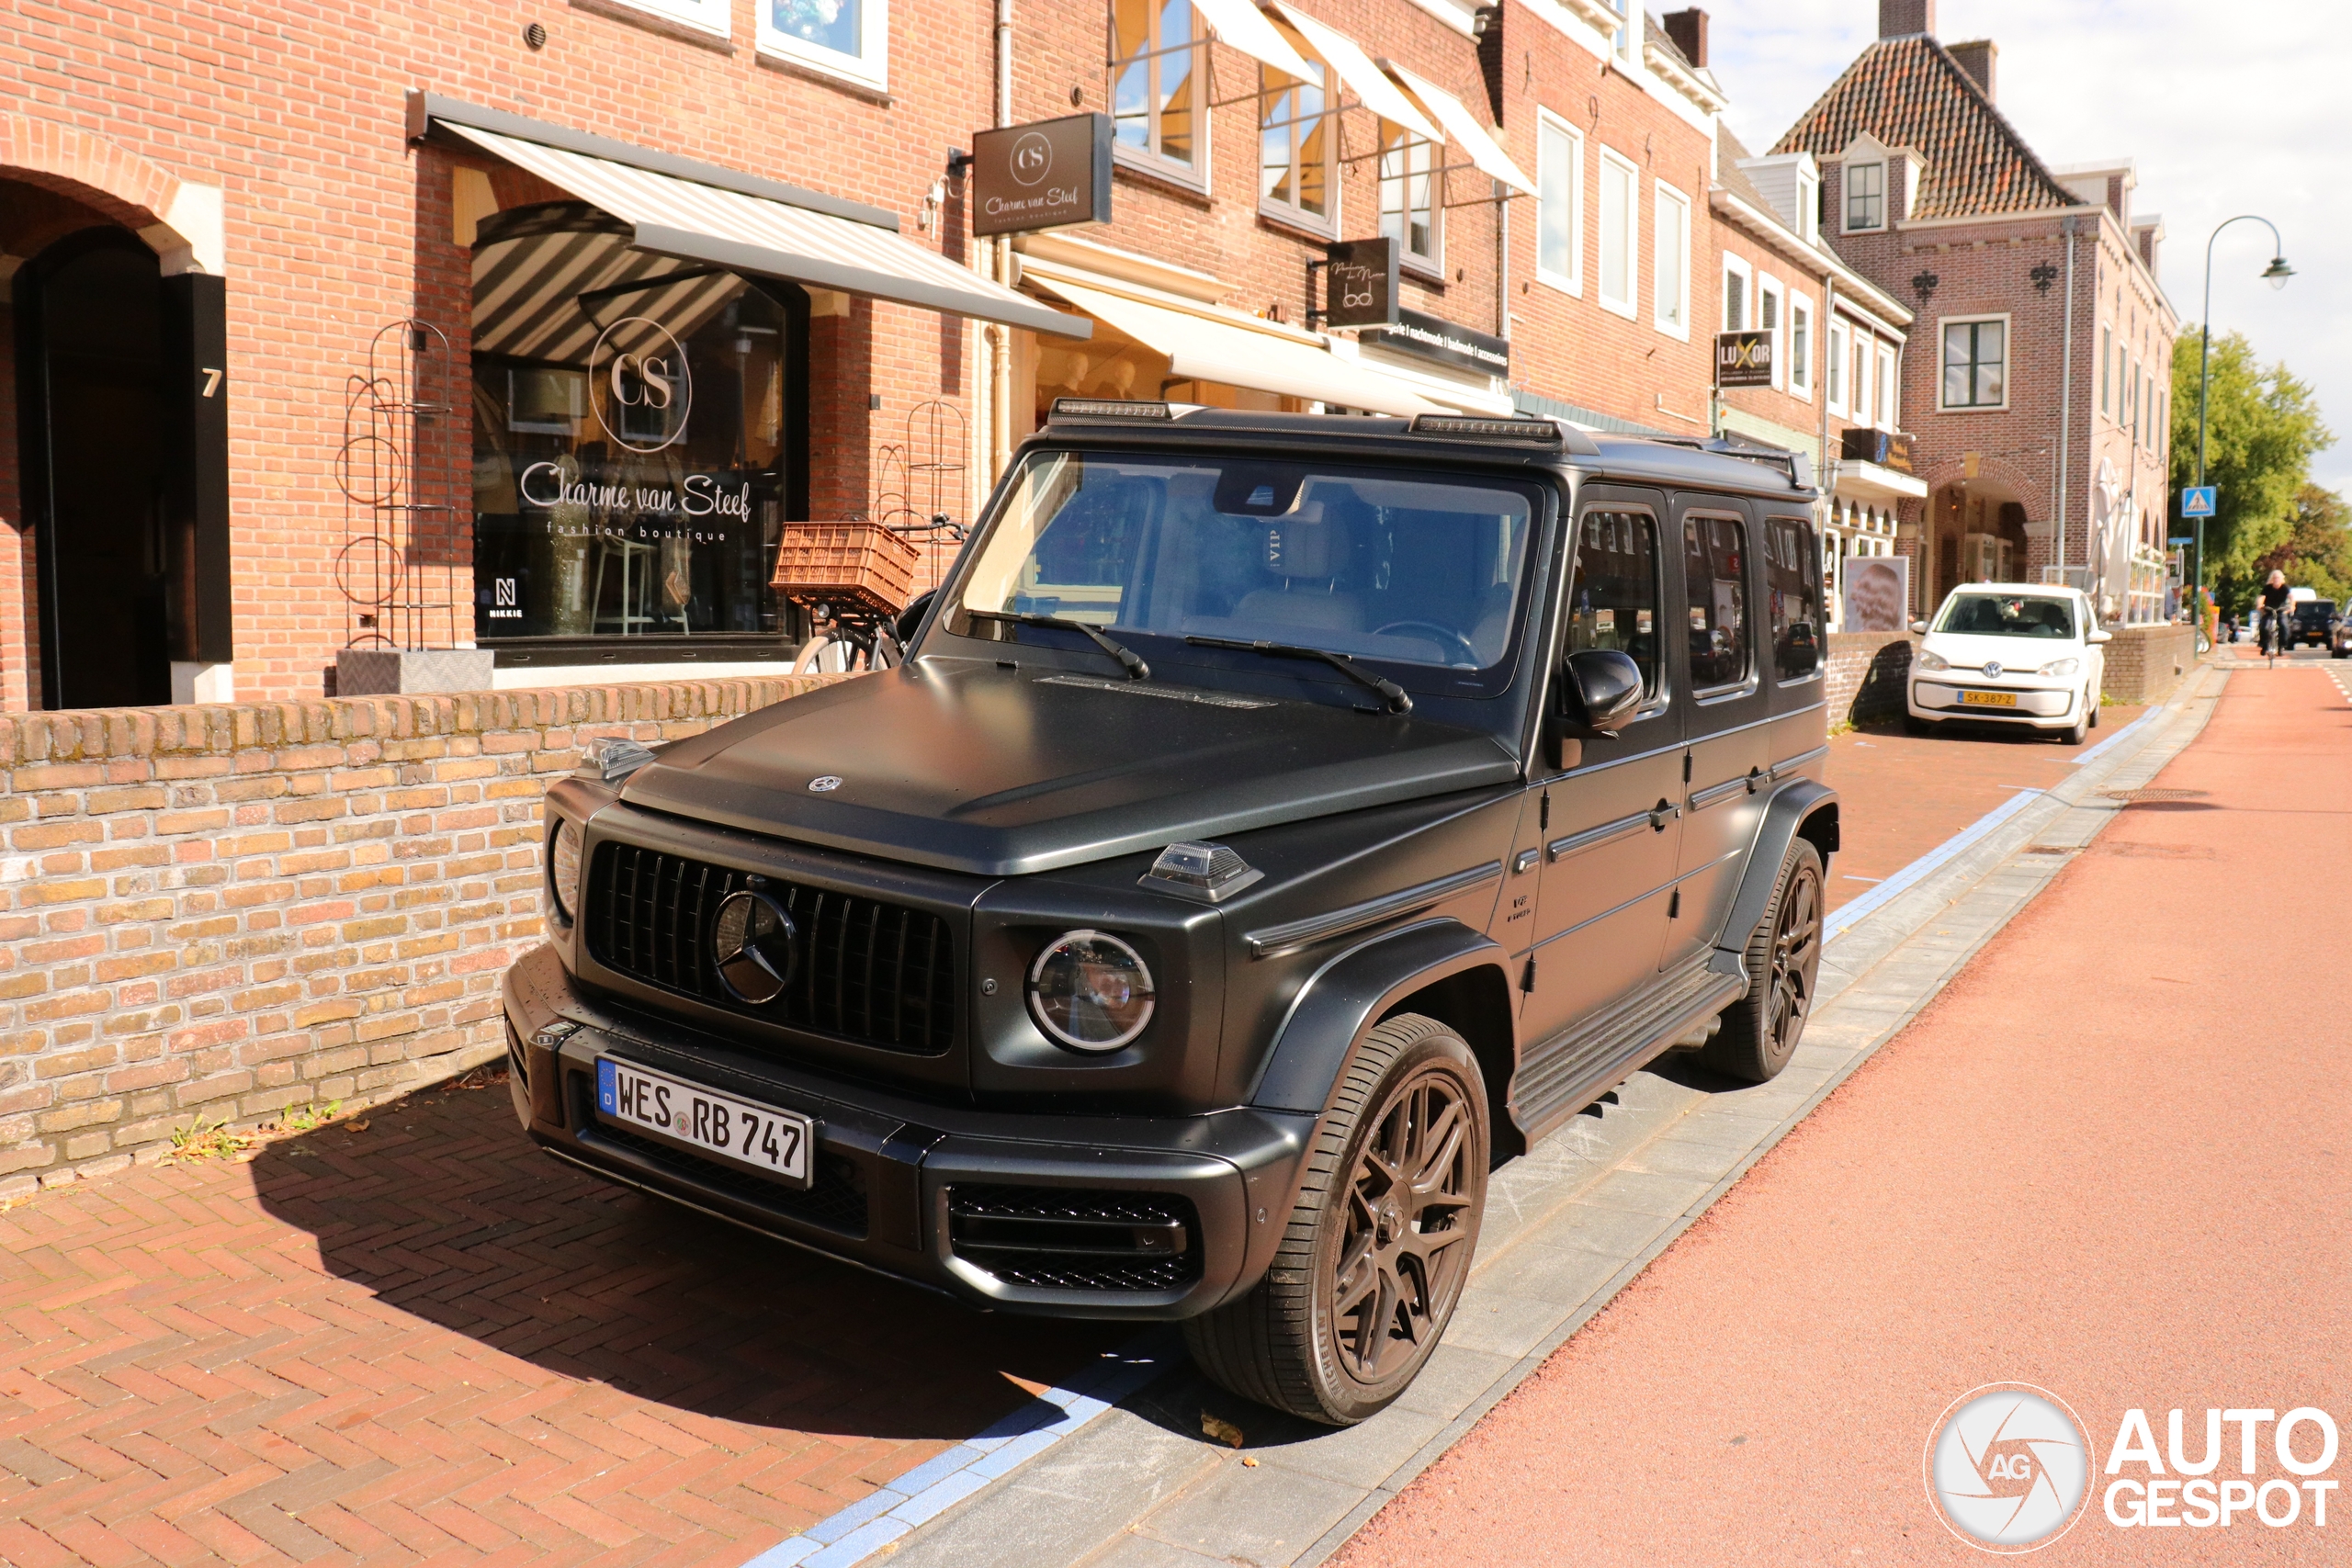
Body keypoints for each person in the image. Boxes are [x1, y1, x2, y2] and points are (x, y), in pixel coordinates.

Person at [2258, 570, 2293, 656]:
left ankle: (2281, 646)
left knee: (2284, 626)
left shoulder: (2285, 587)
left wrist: (2292, 605)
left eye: (2278, 578)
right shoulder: (2268, 587)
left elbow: (2291, 597)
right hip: (2269, 610)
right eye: (2275, 578)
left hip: (2281, 611)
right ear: (2272, 579)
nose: (2276, 580)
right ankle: (2264, 645)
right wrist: (2259, 604)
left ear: (2282, 579)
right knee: (2264, 627)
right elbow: (2261, 597)